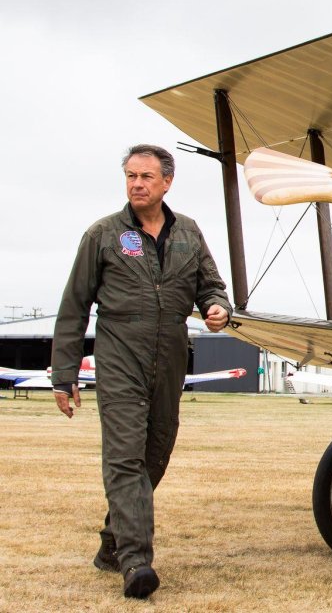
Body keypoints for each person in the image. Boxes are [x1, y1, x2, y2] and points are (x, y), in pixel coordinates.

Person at [52, 144, 231, 599]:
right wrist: (63, 373)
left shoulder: (189, 233)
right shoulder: (103, 235)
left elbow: (212, 285)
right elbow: (74, 306)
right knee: (125, 456)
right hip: (119, 358)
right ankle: (136, 561)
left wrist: (217, 307)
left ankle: (112, 543)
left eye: (146, 176)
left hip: (170, 355)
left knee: (156, 453)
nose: (137, 184)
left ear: (167, 182)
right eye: (130, 176)